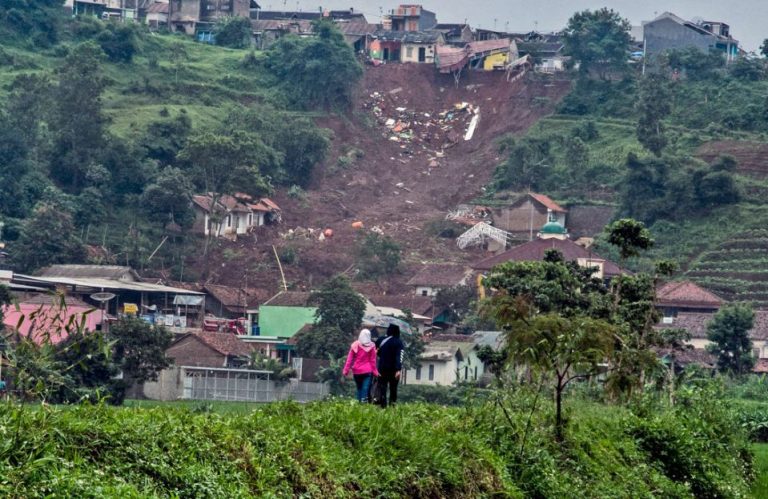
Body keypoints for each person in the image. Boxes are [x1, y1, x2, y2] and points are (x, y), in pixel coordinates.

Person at [342, 329, 379, 402]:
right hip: (368, 371)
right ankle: (363, 405)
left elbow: (349, 359)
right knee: (365, 388)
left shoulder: (355, 345)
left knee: (359, 388)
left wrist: (345, 371)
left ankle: (359, 405)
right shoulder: (372, 346)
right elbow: (373, 361)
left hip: (357, 371)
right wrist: (376, 373)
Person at [376, 324, 405, 407]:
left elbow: (376, 351)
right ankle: (392, 405)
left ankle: (383, 406)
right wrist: (398, 369)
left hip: (382, 368)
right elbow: (400, 356)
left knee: (382, 387)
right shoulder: (398, 342)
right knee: (393, 388)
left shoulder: (380, 340)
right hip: (393, 370)